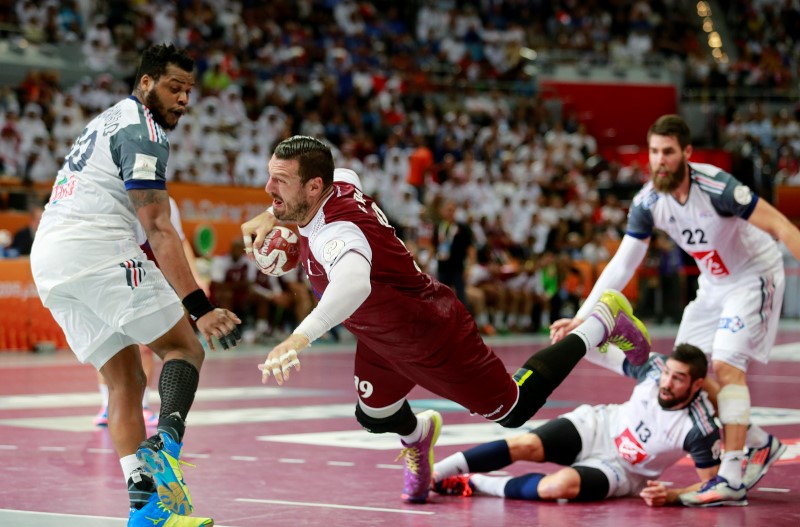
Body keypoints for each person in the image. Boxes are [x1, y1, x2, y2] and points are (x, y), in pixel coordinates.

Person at [241, 135, 652, 504]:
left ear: (314, 186)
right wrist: (272, 212)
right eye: (271, 178)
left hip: (429, 333)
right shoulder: (338, 184)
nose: (268, 188)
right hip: (382, 337)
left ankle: (602, 321)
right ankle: (419, 438)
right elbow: (343, 170)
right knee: (373, 414)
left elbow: (353, 286)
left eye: (279, 181)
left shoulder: (337, 234)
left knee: (513, 408)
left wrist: (297, 339)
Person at [30, 44, 242, 527]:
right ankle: (165, 445)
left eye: (189, 91)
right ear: (145, 82)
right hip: (95, 249)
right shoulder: (142, 131)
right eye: (174, 87)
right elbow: (159, 229)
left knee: (126, 382)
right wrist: (199, 306)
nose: (183, 100)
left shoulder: (106, 120)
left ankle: (145, 510)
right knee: (186, 348)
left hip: (51, 260)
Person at [550, 114, 794, 506]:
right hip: (713, 285)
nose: (659, 160)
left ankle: (731, 475)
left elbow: (782, 226)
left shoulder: (717, 186)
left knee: (728, 364)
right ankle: (758, 444)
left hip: (753, 276)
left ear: (687, 154)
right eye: (654, 152)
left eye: (668, 152)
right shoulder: (648, 201)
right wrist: (583, 315)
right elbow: (623, 264)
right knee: (681, 373)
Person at [432, 343, 724, 507]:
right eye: (668, 374)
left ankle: (474, 483)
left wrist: (671, 496)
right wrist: (575, 336)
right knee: (527, 444)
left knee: (557, 487)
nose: (667, 383)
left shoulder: (699, 428)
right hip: (598, 426)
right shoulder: (655, 367)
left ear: (698, 384)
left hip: (624, 470)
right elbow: (608, 355)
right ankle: (434, 473)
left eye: (678, 379)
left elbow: (712, 484)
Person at [94, 196, 210, 429]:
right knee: (108, 344)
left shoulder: (165, 202)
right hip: (112, 275)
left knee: (146, 347)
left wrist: (195, 278)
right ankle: (107, 405)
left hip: (149, 277)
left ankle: (143, 405)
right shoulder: (110, 195)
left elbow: (179, 241)